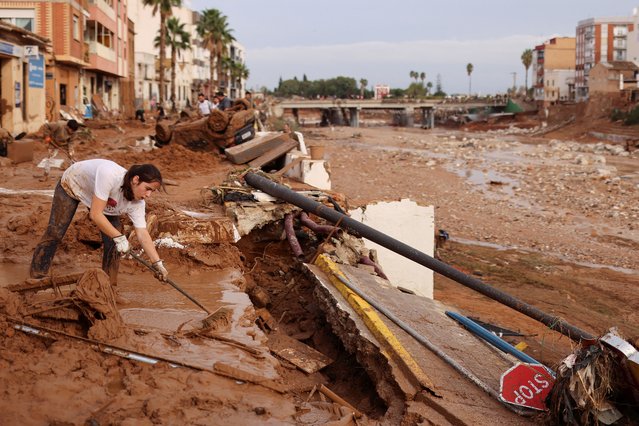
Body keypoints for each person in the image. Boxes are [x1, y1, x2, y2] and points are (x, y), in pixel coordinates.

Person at [30, 159, 168, 287]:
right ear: (136, 180)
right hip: (73, 184)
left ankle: (109, 287)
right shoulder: (109, 175)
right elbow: (95, 214)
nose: (149, 195)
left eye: (152, 191)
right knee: (55, 231)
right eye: (148, 188)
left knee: (113, 244)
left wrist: (157, 263)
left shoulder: (138, 203)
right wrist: (120, 238)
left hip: (101, 199)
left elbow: (143, 234)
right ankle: (37, 277)